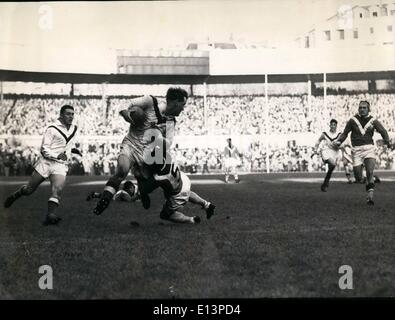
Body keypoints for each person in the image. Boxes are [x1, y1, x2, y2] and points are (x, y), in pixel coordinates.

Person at [93, 87, 188, 215]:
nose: (183, 108)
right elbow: (125, 104)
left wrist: (158, 137)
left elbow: (169, 142)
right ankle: (105, 199)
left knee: (163, 168)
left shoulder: (171, 121)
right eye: (183, 105)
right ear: (176, 102)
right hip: (131, 144)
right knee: (122, 169)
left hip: (147, 153)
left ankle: (143, 190)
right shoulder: (150, 101)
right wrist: (125, 113)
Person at [3, 105, 82, 225]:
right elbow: (44, 149)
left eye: (72, 114)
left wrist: (73, 150)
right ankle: (16, 195)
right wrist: (57, 155)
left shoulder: (74, 129)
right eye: (68, 114)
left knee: (57, 190)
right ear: (61, 115)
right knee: (29, 190)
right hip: (46, 163)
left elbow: (67, 144)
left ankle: (50, 215)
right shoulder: (52, 128)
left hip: (60, 165)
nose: (71, 116)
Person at [334, 100, 391, 205]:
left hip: (369, 148)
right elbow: (345, 133)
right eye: (360, 107)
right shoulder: (352, 120)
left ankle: (370, 197)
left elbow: (383, 131)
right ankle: (372, 180)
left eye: (364, 107)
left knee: (369, 171)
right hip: (356, 150)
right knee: (359, 178)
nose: (362, 109)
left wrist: (387, 142)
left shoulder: (373, 121)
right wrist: (339, 141)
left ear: (369, 109)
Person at [314, 119, 341, 192]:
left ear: (336, 126)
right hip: (326, 150)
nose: (332, 126)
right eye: (331, 124)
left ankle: (325, 184)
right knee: (332, 164)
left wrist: (339, 144)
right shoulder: (325, 134)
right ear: (330, 125)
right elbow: (318, 141)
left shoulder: (339, 134)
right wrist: (315, 149)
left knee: (332, 167)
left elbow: (342, 143)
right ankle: (326, 183)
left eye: (334, 125)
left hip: (335, 152)